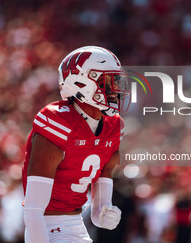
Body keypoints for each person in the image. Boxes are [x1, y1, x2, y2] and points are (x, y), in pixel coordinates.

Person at [22, 46, 130, 242]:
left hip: (77, 225)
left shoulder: (114, 126)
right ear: (80, 82)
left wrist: (106, 216)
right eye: (106, 80)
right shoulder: (58, 121)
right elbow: (33, 210)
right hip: (47, 227)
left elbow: (97, 212)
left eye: (115, 80)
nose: (114, 87)